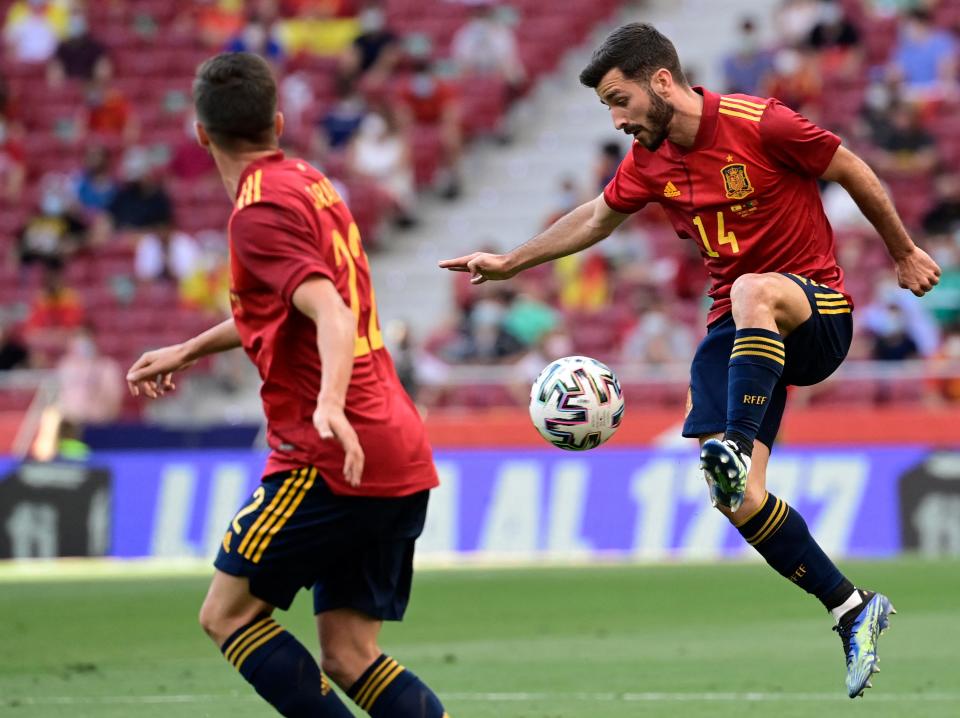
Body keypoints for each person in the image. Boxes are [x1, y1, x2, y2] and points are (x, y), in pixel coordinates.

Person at [440, 22, 942, 700]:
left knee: (751, 288)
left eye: (620, 100)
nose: (617, 120)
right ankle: (851, 607)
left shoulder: (759, 124)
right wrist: (510, 262)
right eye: (607, 108)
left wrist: (903, 250)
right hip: (735, 330)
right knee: (736, 498)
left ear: (663, 82)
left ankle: (734, 442)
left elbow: (848, 166)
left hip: (814, 311)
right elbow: (594, 218)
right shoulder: (648, 160)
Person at [125, 52, 449, 718]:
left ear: (200, 134)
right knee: (350, 655)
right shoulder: (310, 182)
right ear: (277, 121)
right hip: (397, 444)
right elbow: (280, 307)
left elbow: (328, 307)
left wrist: (329, 404)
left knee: (228, 615)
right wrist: (188, 348)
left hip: (328, 455)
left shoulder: (255, 211)